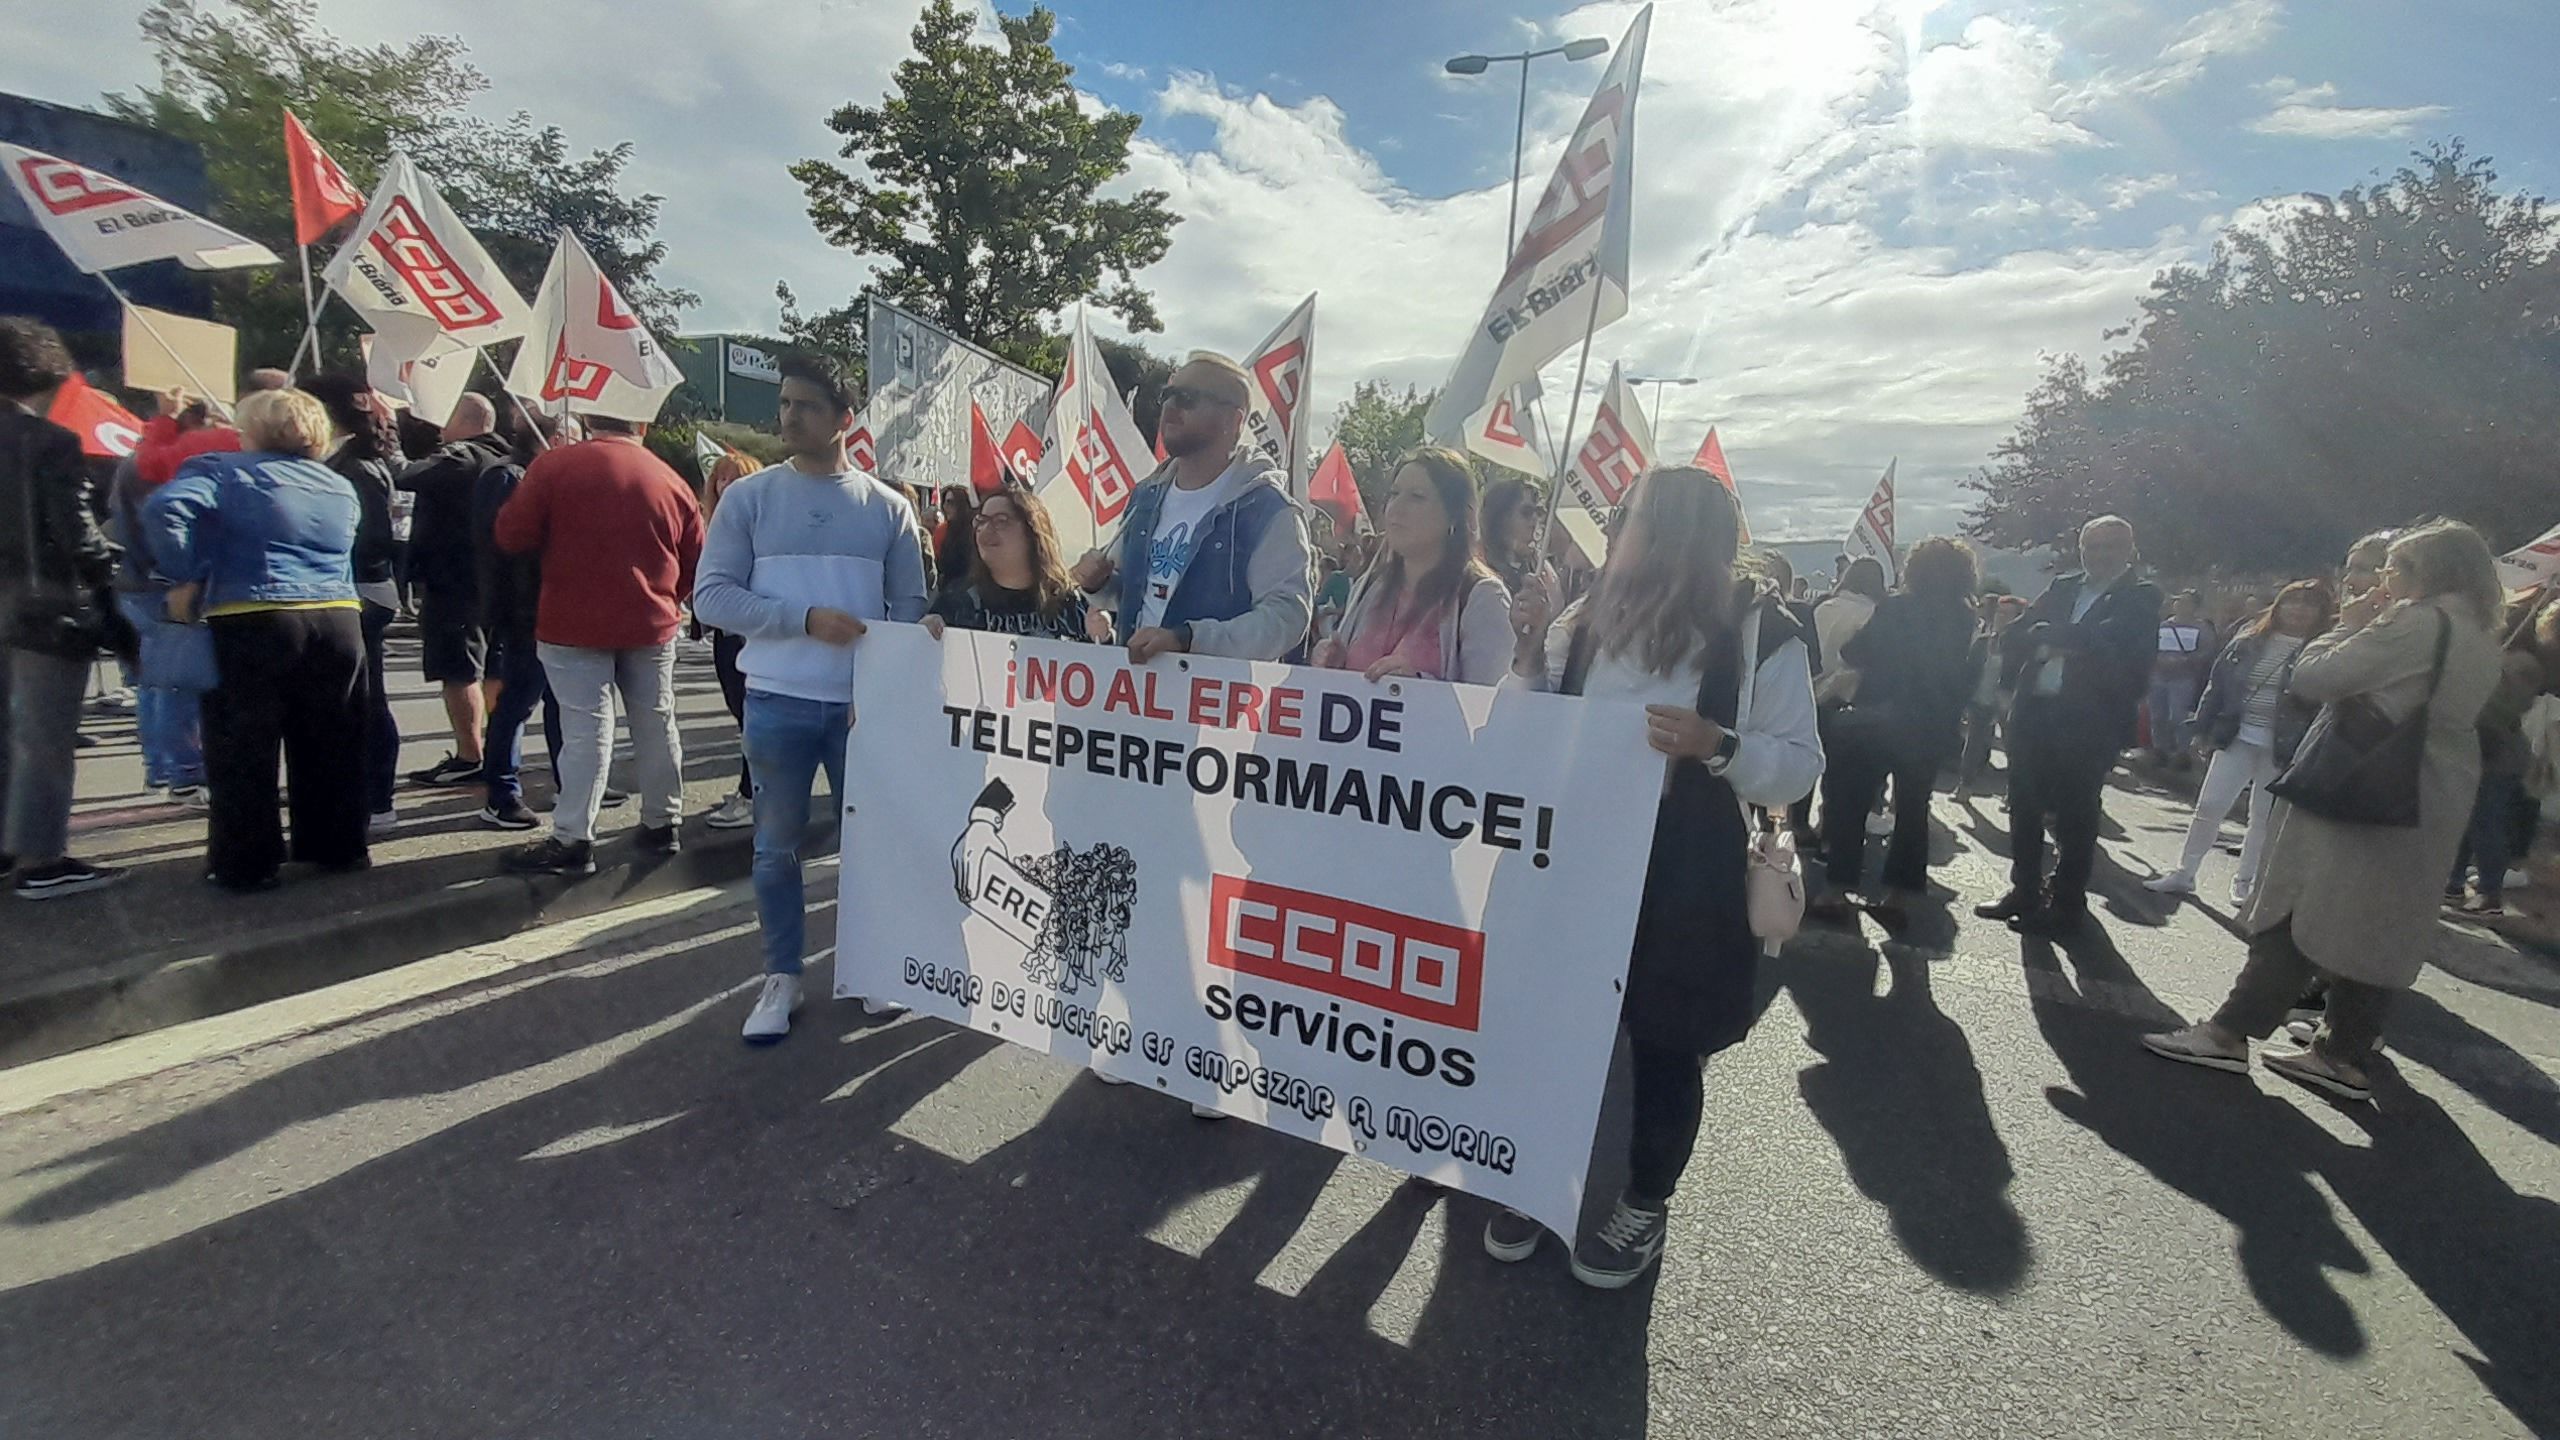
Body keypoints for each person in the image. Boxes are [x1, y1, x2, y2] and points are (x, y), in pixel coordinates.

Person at [1487, 466, 1822, 1287]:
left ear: (1669, 532)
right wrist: (1527, 655)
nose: (1615, 529)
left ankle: (1645, 1202)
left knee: (1668, 1038)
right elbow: (1517, 721)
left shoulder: (1758, 633)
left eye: (1630, 517)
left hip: (1683, 861)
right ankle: (1540, 1177)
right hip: (1578, 849)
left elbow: (1799, 764)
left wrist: (1718, 745)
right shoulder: (1588, 614)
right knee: (1562, 1025)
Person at [2143, 521, 2507, 1104]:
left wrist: (2348, 625)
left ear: (2424, 573)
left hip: (2357, 786)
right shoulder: (2482, 636)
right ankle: (2343, 1051)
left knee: (2298, 910)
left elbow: (2314, 677)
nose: (2383, 579)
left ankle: (2228, 1032)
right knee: (2381, 924)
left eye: (2393, 568)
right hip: (2429, 793)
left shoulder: (2413, 623)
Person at [696, 354, 928, 1042]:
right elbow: (710, 596)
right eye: (786, 403)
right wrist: (803, 621)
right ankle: (783, 977)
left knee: (872, 846)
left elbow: (910, 609)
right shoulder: (749, 498)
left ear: (844, 422)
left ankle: (872, 968)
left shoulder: (889, 507)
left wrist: (879, 688)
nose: (789, 416)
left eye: (807, 406)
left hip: (862, 711)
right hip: (776, 700)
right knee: (775, 851)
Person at [145, 389, 370, 892]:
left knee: (242, 745)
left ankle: (246, 862)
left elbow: (164, 511)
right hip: (337, 615)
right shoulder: (336, 483)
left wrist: (185, 574)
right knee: (332, 739)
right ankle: (337, 846)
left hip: (253, 611)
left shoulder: (221, 469)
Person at [494, 410, 702, 876]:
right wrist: (667, 595)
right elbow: (695, 557)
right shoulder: (670, 479)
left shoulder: (554, 465)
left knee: (586, 730)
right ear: (641, 424)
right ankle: (662, 822)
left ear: (588, 419)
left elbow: (511, 534)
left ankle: (573, 838)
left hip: (573, 621)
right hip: (651, 621)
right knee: (656, 721)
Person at [1977, 516, 2162, 935]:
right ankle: (2023, 889)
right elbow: (2017, 636)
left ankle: (2066, 901)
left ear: (2129, 550)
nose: (2099, 555)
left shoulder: (2141, 597)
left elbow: (2121, 654)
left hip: (2088, 723)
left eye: (2109, 547)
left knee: (2076, 814)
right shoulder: (2063, 587)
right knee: (2023, 806)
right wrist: (2066, 639)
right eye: (2091, 546)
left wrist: (2060, 638)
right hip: (2035, 713)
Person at [1072, 350, 1313, 666]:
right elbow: (1133, 593)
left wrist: (1188, 639)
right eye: (1167, 395)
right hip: (1133, 695)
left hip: (1215, 704)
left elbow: (1287, 616)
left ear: (1233, 420)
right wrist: (1098, 584)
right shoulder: (1146, 495)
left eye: (1187, 398)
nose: (1170, 407)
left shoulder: (1268, 510)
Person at [0, 319, 125, 897]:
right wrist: (110, 575)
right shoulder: (50, 441)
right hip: (43, 604)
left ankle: (6, 849)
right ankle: (42, 860)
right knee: (46, 737)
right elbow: (75, 534)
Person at [1810, 537, 1979, 919]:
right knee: (1913, 809)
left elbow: (1857, 651)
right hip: (1927, 726)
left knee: (1849, 802)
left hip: (1877, 720)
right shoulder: (1964, 616)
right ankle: (1899, 894)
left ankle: (1838, 887)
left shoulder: (1897, 607)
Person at [2145, 580, 2333, 904]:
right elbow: (2216, 687)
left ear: (2322, 612)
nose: (2299, 609)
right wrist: (2202, 727)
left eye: (2309, 604)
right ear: (2279, 606)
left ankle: (2245, 881)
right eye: (2292, 601)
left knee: (2261, 816)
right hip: (2237, 735)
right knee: (2209, 805)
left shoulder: (2325, 648)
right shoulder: (2250, 640)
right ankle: (2184, 873)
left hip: (2284, 746)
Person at [300, 373, 404, 834]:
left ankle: (377, 796)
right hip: (357, 588)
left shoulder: (355, 466)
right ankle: (367, 792)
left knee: (364, 698)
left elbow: (375, 537)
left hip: (362, 589)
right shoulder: (346, 459)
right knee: (355, 697)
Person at [1311, 447, 1510, 685]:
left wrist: (1418, 687)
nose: (1397, 507)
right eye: (1394, 494)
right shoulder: (1371, 586)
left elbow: (1493, 708)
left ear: (1455, 516)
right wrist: (1330, 661)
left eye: (1417, 496)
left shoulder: (1482, 598)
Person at [396, 394, 509, 787]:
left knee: (458, 670)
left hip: (454, 580)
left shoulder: (460, 456)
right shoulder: (505, 458)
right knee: (490, 668)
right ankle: (494, 750)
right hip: (493, 579)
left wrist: (385, 435)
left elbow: (404, 475)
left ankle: (470, 755)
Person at [473, 410, 572, 831]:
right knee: (518, 701)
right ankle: (501, 792)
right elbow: (503, 544)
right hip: (525, 609)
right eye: (574, 433)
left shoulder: (548, 477)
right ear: (551, 435)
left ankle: (570, 781)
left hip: (555, 605)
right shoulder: (510, 477)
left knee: (561, 700)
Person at [2446, 611, 2546, 917]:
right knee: (2463, 819)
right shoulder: (2492, 654)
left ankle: (2490, 891)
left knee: (2486, 823)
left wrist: (2490, 674)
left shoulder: (2521, 663)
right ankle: (2453, 881)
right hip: (2477, 750)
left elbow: (2512, 704)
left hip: (2498, 754)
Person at [923, 483, 1092, 642]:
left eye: (1001, 521)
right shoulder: (958, 602)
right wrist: (925, 631)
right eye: (981, 520)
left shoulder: (1070, 604)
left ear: (1033, 532)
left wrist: (1104, 635)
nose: (986, 529)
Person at [697, 448, 763, 831]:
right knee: (741, 712)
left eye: (735, 476)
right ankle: (749, 788)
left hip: (747, 632)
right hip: (724, 631)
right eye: (721, 477)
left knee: (751, 714)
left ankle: (752, 793)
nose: (726, 484)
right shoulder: (714, 522)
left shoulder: (754, 523)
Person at [1956, 593, 2027, 799]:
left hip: (2008, 704)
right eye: (1999, 613)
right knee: (1973, 745)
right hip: (1981, 700)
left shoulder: (2020, 646)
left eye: (2008, 615)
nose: (2001, 618)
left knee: (2013, 750)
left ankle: (2012, 793)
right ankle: (1965, 786)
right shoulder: (1983, 642)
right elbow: (1969, 672)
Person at [2147, 590, 2212, 766]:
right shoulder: (2163, 626)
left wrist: (2186, 660)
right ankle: (2159, 749)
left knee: (2178, 716)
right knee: (2157, 715)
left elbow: (2207, 652)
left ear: (2194, 607)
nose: (2180, 605)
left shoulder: (2201, 628)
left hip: (2183, 678)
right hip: (2158, 676)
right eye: (2178, 601)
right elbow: (2150, 646)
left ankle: (2181, 752)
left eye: (2185, 602)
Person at [1479, 476, 1554, 603]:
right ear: (1501, 519)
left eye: (1538, 513)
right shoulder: (1479, 573)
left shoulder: (1541, 571)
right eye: (1526, 513)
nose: (1534, 522)